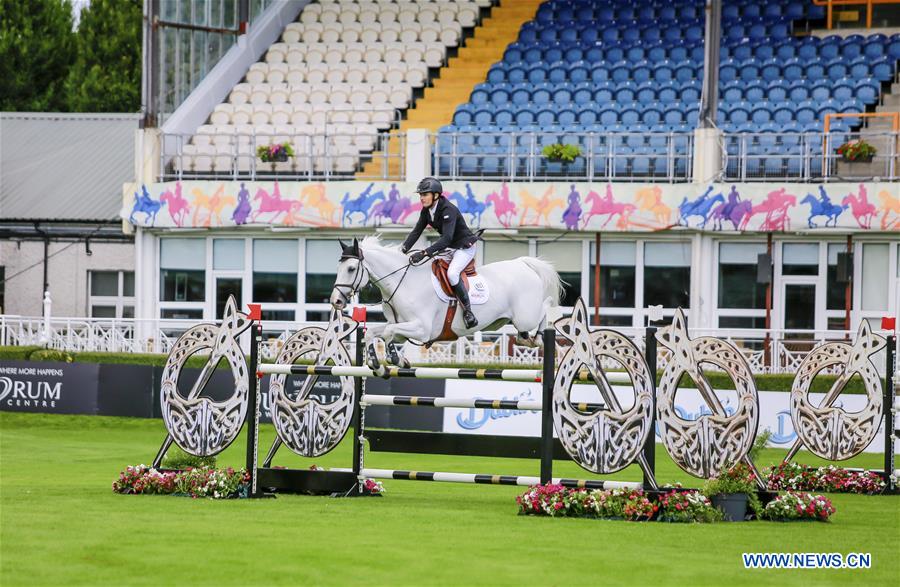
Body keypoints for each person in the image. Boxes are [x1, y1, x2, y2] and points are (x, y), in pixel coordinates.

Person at [401, 177, 479, 328]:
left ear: (436, 195)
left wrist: (424, 252)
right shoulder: (426, 211)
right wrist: (403, 249)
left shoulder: (448, 209)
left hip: (464, 247)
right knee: (429, 268)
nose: (421, 198)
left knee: (452, 274)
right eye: (420, 195)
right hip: (450, 247)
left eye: (425, 194)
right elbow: (417, 231)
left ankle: (468, 312)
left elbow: (447, 238)